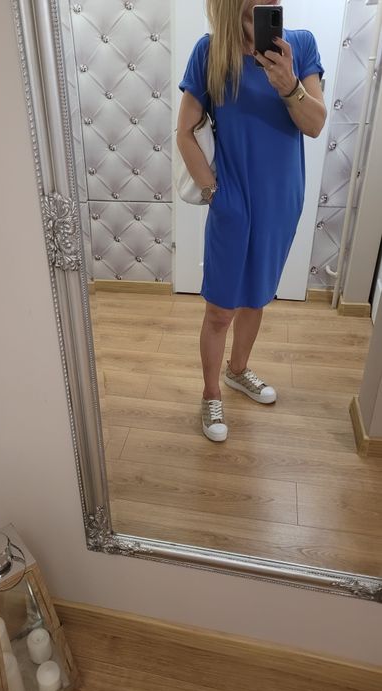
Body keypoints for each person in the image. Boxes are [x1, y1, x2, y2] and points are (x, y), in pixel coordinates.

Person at [177, 0, 327, 442]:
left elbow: (315, 125)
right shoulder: (210, 53)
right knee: (220, 309)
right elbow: (185, 133)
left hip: (281, 203)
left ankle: (237, 370)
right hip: (233, 202)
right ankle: (210, 393)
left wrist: (289, 85)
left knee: (257, 298)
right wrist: (214, 194)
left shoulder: (300, 46)